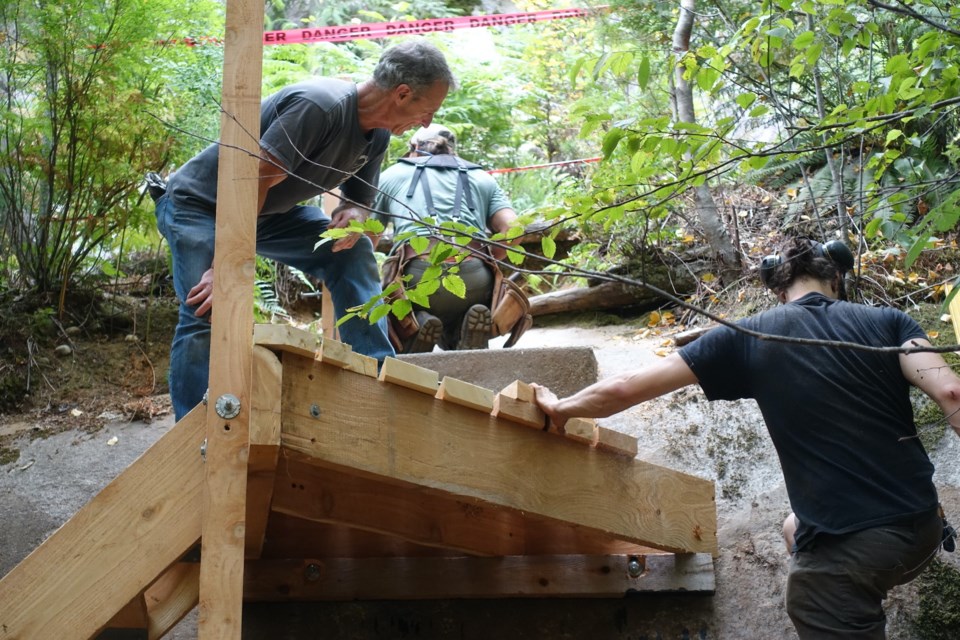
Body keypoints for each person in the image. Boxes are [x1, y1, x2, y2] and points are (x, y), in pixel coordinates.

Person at [530, 236, 960, 639]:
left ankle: (844, 598)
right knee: (796, 528)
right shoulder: (890, 322)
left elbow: (625, 388)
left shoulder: (749, 335)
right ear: (837, 278)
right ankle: (854, 597)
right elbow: (951, 392)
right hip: (921, 532)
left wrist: (561, 407)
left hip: (858, 548)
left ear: (777, 289)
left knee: (816, 592)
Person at [155, 39, 455, 421]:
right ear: (402, 94)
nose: (427, 123)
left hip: (264, 213)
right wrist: (228, 265)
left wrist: (356, 217)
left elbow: (358, 200)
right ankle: (194, 435)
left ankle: (376, 381)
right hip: (199, 206)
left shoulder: (376, 134)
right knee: (210, 306)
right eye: (428, 111)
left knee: (355, 252)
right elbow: (252, 181)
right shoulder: (319, 107)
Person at [372, 124, 518, 353]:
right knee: (464, 308)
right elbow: (513, 228)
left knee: (398, 305)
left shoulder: (392, 174)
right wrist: (491, 256)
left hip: (417, 275)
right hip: (475, 277)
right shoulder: (482, 178)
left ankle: (418, 324)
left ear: (413, 148)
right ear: (453, 151)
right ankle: (464, 331)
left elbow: (366, 239)